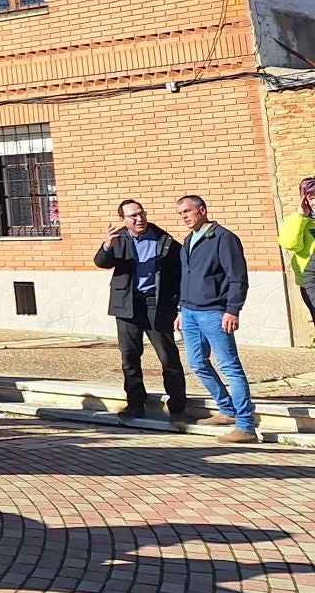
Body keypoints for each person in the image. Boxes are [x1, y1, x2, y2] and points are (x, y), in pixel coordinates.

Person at [95, 199, 186, 430]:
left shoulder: (164, 241)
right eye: (133, 216)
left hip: (157, 305)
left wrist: (179, 308)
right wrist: (106, 246)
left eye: (141, 214)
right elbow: (102, 262)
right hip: (126, 305)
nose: (139, 219)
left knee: (168, 356)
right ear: (123, 220)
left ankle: (178, 405)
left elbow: (180, 277)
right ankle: (135, 403)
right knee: (130, 357)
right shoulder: (118, 240)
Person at [175, 193, 256, 444]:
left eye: (187, 211)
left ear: (202, 210)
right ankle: (227, 410)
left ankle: (246, 426)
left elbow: (237, 277)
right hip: (189, 312)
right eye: (181, 214)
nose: (184, 217)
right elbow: (186, 278)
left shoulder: (223, 238)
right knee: (197, 363)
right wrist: (180, 309)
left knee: (230, 367)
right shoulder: (188, 240)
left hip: (214, 312)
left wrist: (232, 309)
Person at [276, 177, 315, 330]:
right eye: (311, 197)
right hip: (310, 283)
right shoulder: (298, 220)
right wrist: (301, 216)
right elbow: (290, 244)